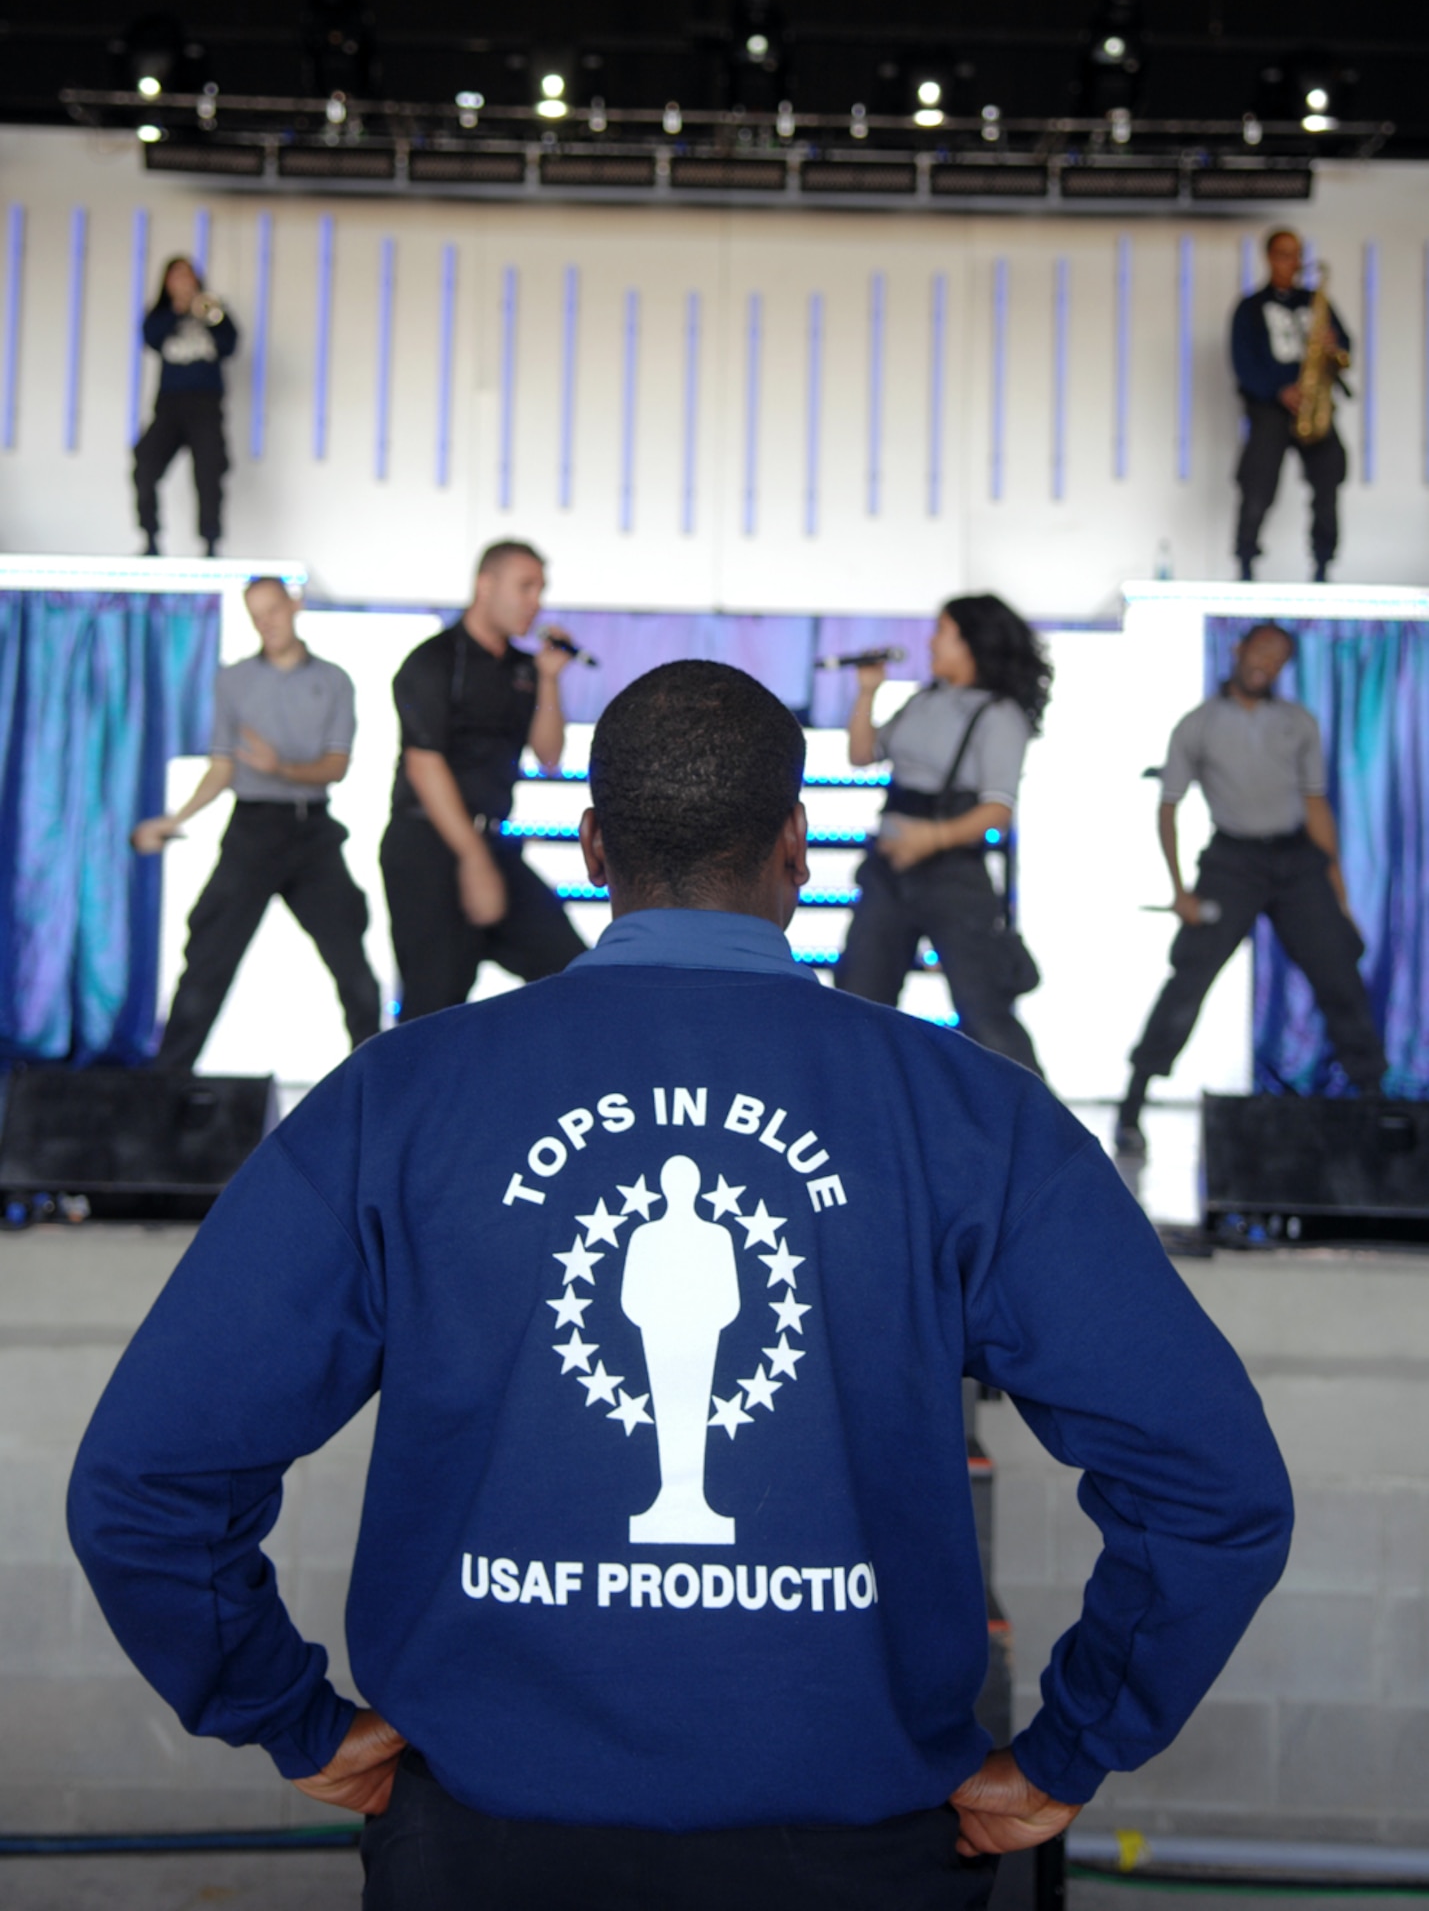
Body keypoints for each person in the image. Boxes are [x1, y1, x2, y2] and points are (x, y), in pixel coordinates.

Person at [72, 659, 1293, 1911]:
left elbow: (147, 1482)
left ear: (593, 845)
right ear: (797, 847)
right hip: (859, 1858)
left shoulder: (398, 1102)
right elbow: (1209, 1485)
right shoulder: (974, 1117)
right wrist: (1069, 1748)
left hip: (485, 1855)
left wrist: (289, 1715)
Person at [1116, 621, 1384, 1155]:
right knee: (1188, 979)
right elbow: (1168, 807)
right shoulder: (1198, 725)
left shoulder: (1297, 723)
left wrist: (1339, 893)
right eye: (1261, 650)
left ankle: (1377, 1106)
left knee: (1339, 972)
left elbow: (1314, 805)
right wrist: (1180, 890)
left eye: (1280, 656)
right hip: (1232, 861)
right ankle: (1133, 1104)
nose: (1268, 662)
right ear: (1239, 651)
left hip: (1296, 861)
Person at [134, 577, 381, 1070]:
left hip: (312, 833)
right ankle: (162, 1087)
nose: (266, 621)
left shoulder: (333, 680)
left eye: (273, 609)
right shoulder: (233, 680)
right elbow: (223, 767)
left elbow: (336, 766)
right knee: (208, 958)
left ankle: (377, 1078)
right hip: (252, 830)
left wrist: (280, 767)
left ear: (294, 606)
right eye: (255, 613)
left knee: (352, 966)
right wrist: (174, 818)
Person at [834, 594, 1049, 1074]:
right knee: (858, 999)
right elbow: (863, 753)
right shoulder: (924, 699)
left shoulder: (998, 715)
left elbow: (998, 810)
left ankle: (1041, 1128)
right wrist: (868, 692)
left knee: (985, 1013)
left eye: (943, 632)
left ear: (971, 641)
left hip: (952, 874)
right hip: (889, 870)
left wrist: (929, 839)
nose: (931, 642)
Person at [379, 539, 585, 1021]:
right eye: (525, 586)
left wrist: (550, 677)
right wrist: (472, 860)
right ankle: (411, 1095)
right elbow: (424, 765)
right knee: (434, 1001)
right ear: (485, 585)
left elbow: (550, 755)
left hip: (492, 841)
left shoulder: (522, 669)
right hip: (427, 844)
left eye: (540, 589)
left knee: (572, 971)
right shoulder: (431, 662)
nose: (535, 601)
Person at [1231, 228, 1351, 585]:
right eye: (1285, 254)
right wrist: (1278, 391)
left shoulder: (1316, 302)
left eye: (1297, 254)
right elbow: (1242, 362)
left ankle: (1323, 564)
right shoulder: (1250, 308)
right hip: (1271, 407)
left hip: (1314, 407)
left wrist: (1333, 345)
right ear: (1270, 257)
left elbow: (1346, 350)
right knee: (1257, 485)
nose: (1293, 262)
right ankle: (1246, 562)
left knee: (1328, 479)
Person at [134, 256, 239, 558]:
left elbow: (230, 344)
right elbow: (151, 338)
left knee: (208, 473)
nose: (183, 282)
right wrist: (176, 310)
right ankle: (150, 538)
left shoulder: (211, 310)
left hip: (206, 405)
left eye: (188, 276)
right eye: (176, 276)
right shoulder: (160, 316)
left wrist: (205, 312)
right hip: (169, 406)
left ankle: (210, 544)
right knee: (145, 466)